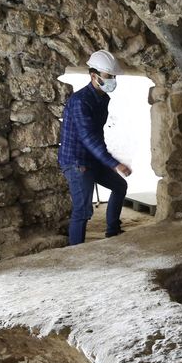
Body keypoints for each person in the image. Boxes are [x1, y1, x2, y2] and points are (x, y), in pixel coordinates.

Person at [57, 50, 131, 245]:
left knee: (120, 186)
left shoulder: (103, 98)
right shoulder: (80, 101)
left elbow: (97, 134)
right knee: (82, 211)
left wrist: (106, 160)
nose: (112, 80)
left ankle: (113, 232)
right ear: (93, 76)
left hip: (92, 157)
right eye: (108, 76)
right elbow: (88, 137)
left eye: (114, 77)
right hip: (76, 161)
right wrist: (114, 163)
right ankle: (76, 255)